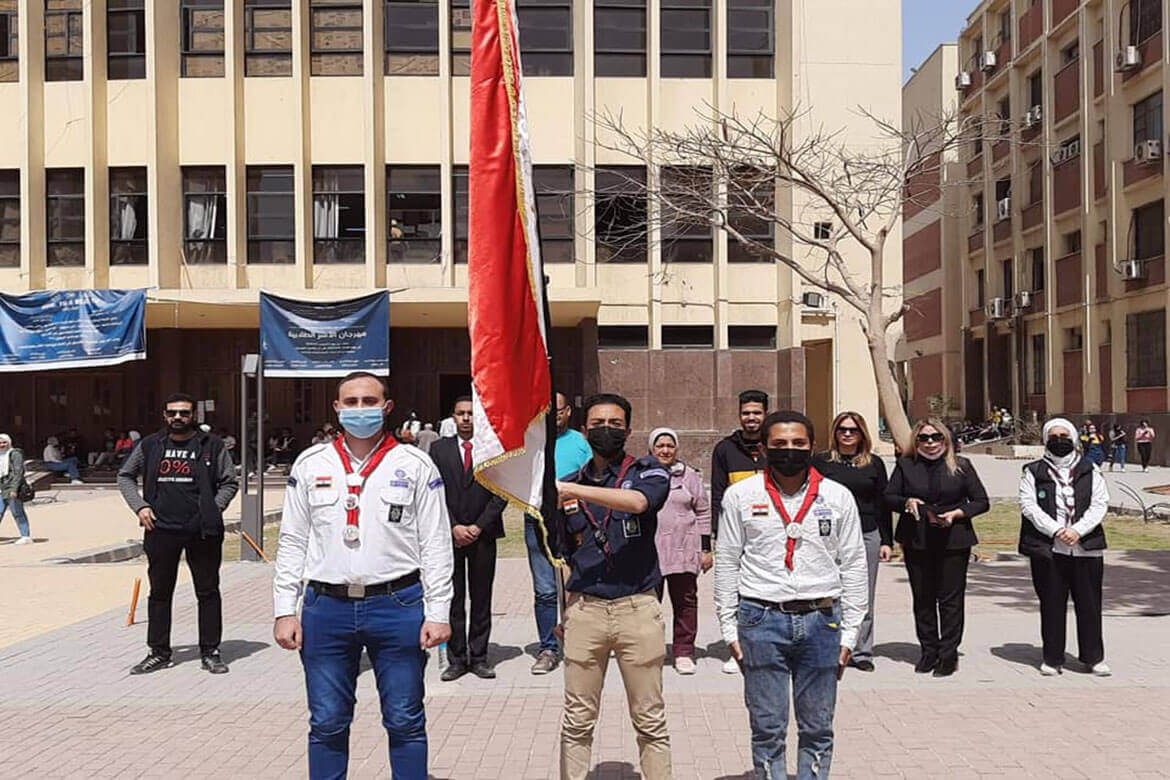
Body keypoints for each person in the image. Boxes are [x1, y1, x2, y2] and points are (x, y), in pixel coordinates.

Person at [273, 372, 453, 779]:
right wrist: (285, 608)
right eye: (350, 402)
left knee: (406, 720)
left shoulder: (415, 463)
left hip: (399, 605)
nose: (359, 410)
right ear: (336, 408)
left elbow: (437, 543)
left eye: (369, 401)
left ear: (386, 408)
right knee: (326, 722)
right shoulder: (311, 463)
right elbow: (292, 541)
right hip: (325, 608)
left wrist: (438, 610)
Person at [715, 410, 867, 780]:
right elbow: (727, 561)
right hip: (760, 620)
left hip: (822, 622)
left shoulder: (837, 496)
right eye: (780, 444)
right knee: (767, 726)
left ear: (812, 447)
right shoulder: (740, 495)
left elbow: (854, 565)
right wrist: (729, 629)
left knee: (817, 726)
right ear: (765, 448)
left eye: (798, 444)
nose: (789, 450)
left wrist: (851, 634)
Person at [556, 393, 672, 780]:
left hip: (637, 609)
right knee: (576, 720)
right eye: (599, 424)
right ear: (584, 430)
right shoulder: (569, 486)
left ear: (629, 429)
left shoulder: (649, 470)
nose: (607, 430)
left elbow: (639, 503)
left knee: (650, 720)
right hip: (585, 611)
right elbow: (565, 560)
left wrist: (572, 491)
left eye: (616, 424)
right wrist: (565, 613)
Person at [117, 393, 239, 675]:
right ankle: (159, 652)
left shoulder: (212, 445)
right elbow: (125, 476)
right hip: (160, 529)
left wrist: (213, 509)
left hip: (203, 531)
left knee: (207, 591)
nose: (178, 418)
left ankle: (210, 651)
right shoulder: (149, 445)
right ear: (164, 415)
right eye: (172, 413)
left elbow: (229, 482)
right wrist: (140, 506)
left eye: (184, 413)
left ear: (193, 415)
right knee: (160, 592)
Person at [884, 418, 989, 677]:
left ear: (946, 439)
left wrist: (958, 513)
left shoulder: (961, 465)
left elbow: (981, 501)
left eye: (936, 437)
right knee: (923, 598)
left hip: (953, 539)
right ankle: (928, 650)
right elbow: (889, 497)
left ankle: (948, 654)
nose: (930, 443)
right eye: (924, 438)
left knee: (950, 600)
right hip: (917, 538)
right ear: (916, 441)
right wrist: (906, 502)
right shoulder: (907, 465)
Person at [1018, 417, 1111, 677]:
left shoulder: (1090, 468)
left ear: (1073, 439)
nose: (1060, 441)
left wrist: (1077, 530)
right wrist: (1057, 530)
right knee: (1052, 603)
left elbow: (1100, 503)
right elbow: (1029, 506)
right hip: (1049, 549)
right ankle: (1052, 658)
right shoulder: (1033, 471)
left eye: (1064, 436)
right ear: (1046, 440)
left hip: (1086, 548)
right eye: (1054, 436)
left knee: (1090, 605)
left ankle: (1093, 658)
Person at [429, 396, 507, 681]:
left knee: (481, 597)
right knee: (454, 598)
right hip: (449, 536)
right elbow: (432, 491)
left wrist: (477, 526)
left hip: (483, 536)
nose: (466, 419)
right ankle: (457, 658)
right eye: (461, 413)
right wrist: (453, 526)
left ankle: (481, 657)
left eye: (471, 414)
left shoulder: (493, 450)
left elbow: (501, 492)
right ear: (453, 417)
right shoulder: (438, 450)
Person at [812, 411, 892, 672]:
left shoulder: (874, 464)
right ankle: (831, 647)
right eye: (842, 430)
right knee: (829, 593)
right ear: (835, 433)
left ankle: (861, 651)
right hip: (830, 536)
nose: (847, 434)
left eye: (853, 430)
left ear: (862, 435)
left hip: (867, 534)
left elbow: (883, 504)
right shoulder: (821, 462)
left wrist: (886, 541)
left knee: (863, 594)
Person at [526, 391, 592, 675]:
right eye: (547, 410)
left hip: (574, 522)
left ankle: (582, 644)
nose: (554, 415)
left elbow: (591, 481)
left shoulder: (580, 443)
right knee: (545, 590)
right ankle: (548, 648)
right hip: (537, 520)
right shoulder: (530, 442)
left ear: (568, 413)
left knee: (579, 586)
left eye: (559, 410)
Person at [711, 389, 769, 674]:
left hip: (770, 532)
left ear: (765, 414)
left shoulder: (774, 445)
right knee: (735, 590)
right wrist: (715, 532)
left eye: (756, 413)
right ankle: (736, 648)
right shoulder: (725, 449)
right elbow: (718, 493)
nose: (751, 418)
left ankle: (764, 644)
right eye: (746, 413)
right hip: (735, 533)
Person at [648, 427, 711, 675]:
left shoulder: (690, 476)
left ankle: (684, 651)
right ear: (651, 449)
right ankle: (650, 652)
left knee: (685, 601)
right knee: (648, 605)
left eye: (670, 446)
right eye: (660, 446)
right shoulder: (643, 473)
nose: (665, 450)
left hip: (684, 549)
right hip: (651, 552)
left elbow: (704, 512)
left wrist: (706, 549)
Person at [0, 434, 33, 544]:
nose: (2, 445)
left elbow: (18, 472)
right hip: (2, 487)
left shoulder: (15, 454)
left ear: (9, 442)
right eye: (0, 443)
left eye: (4, 442)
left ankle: (25, 535)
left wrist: (14, 489)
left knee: (17, 512)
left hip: (12, 487)